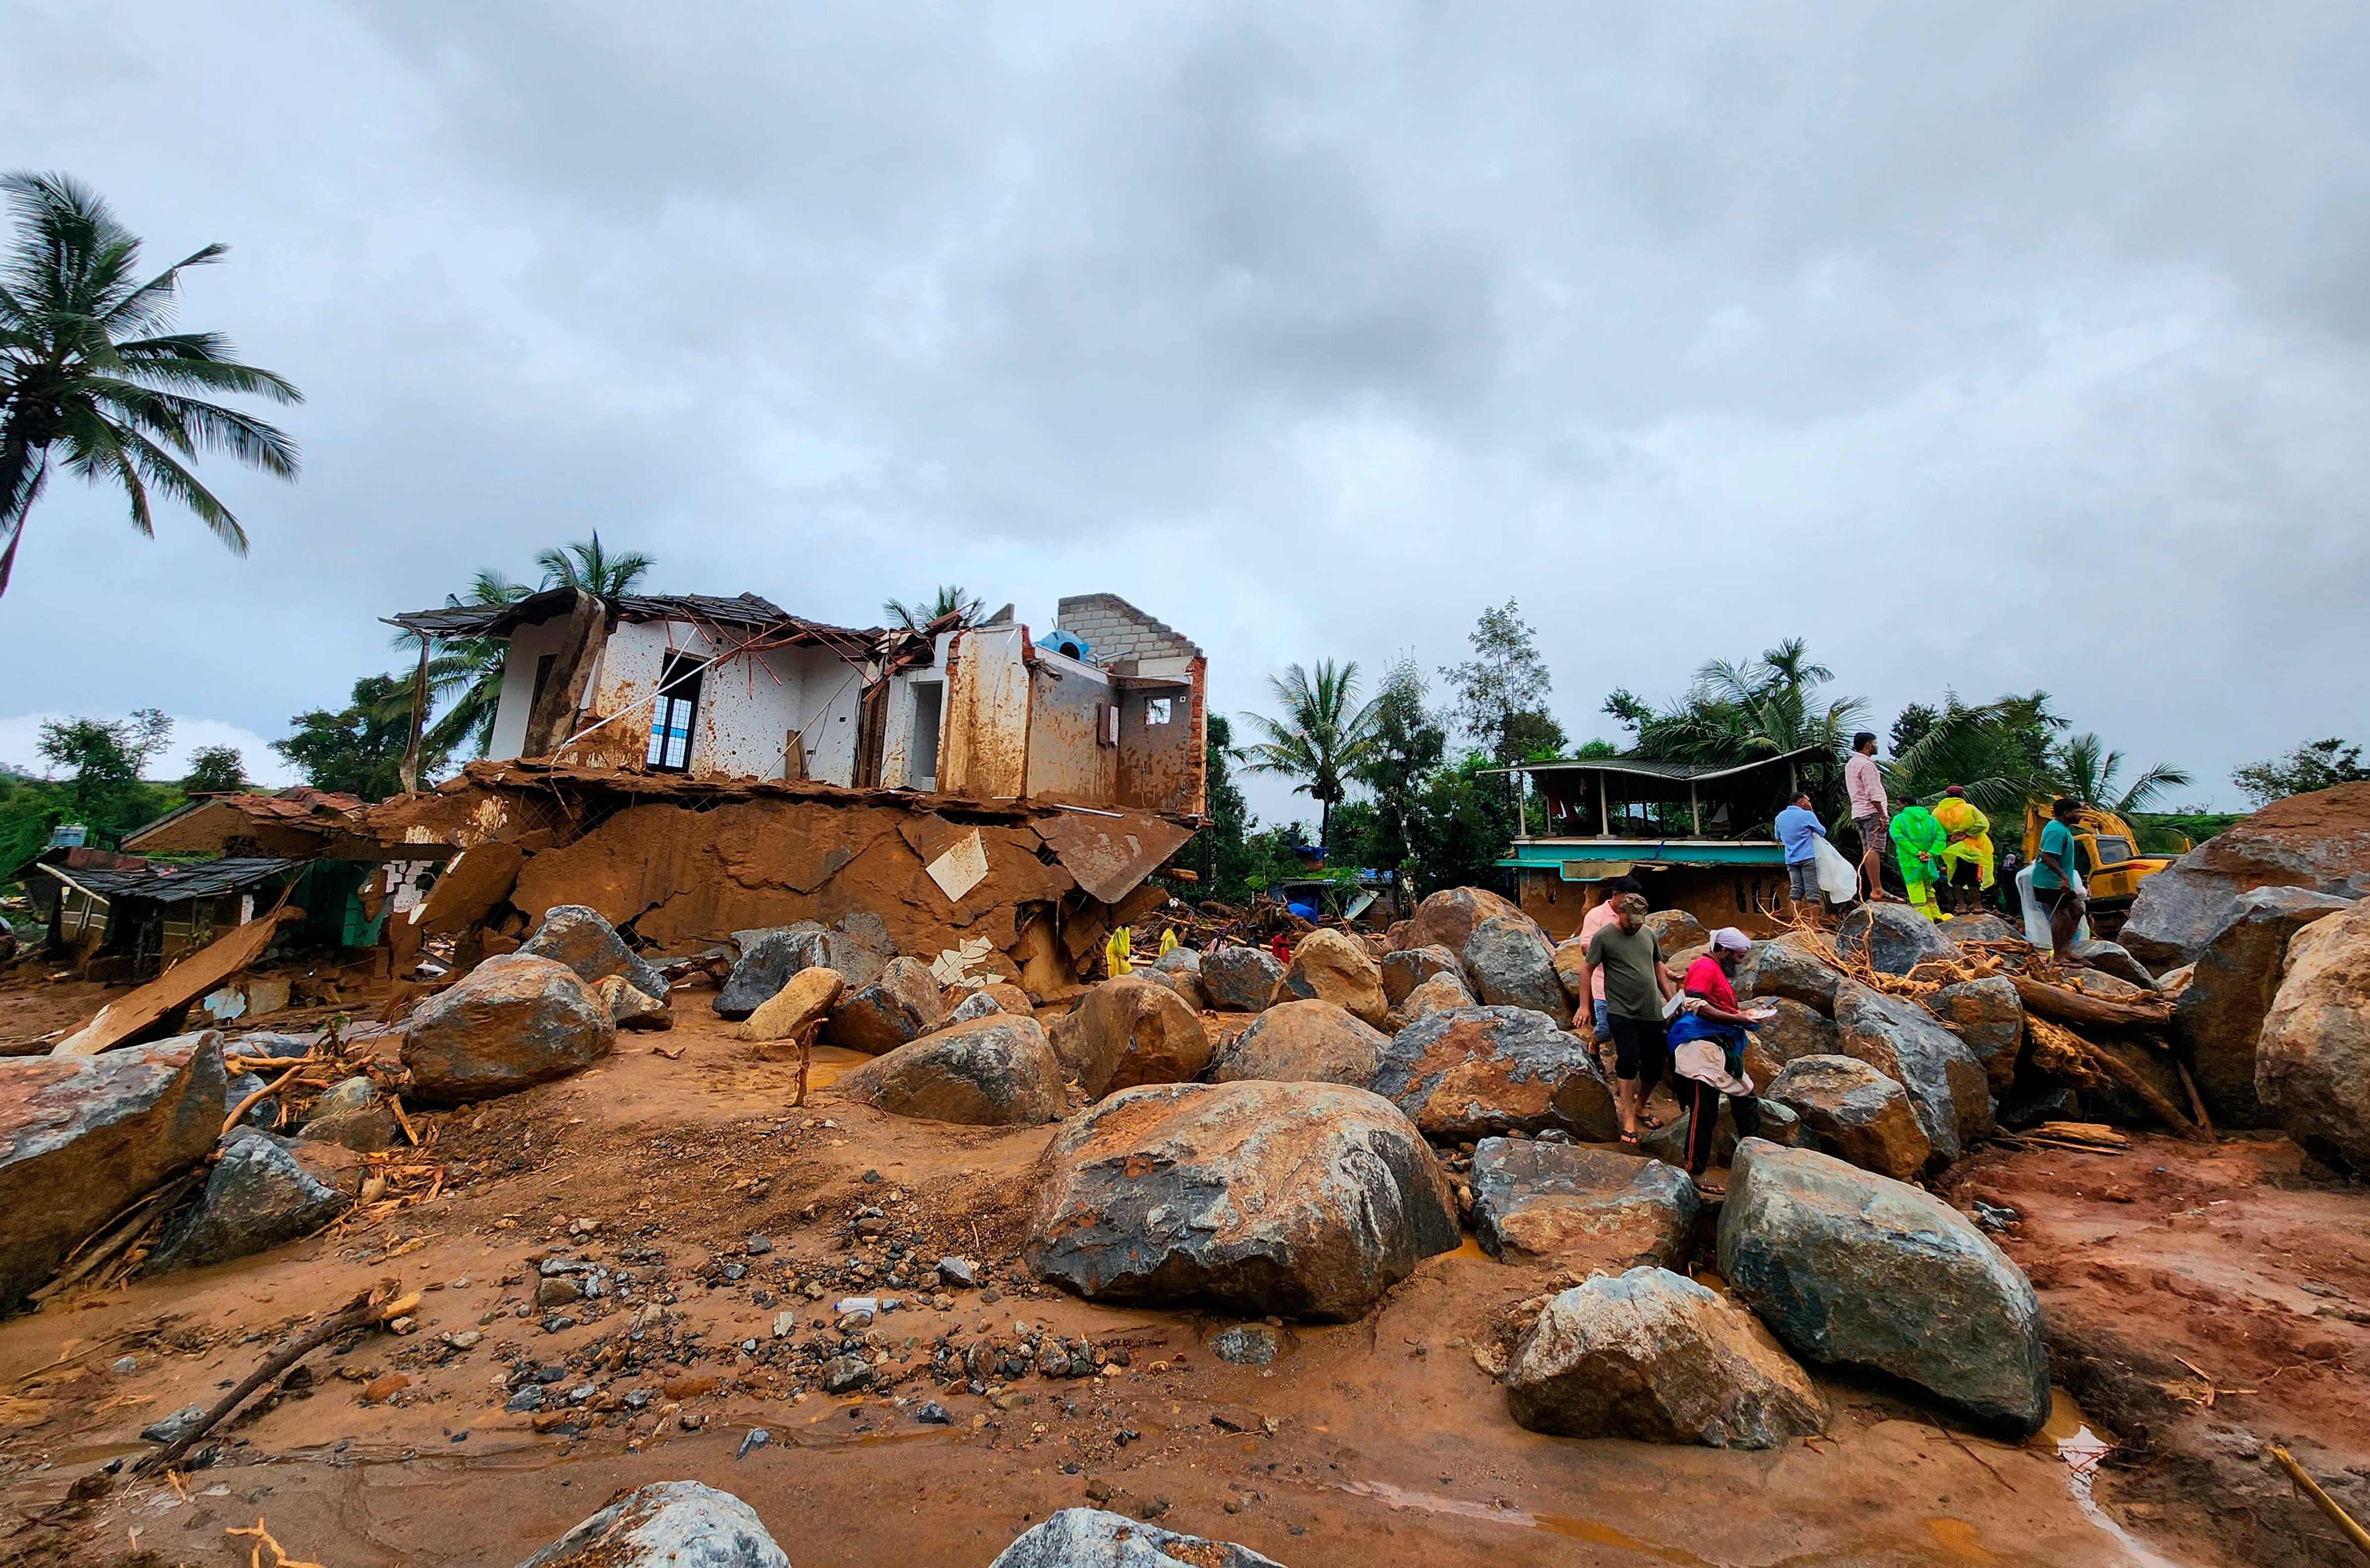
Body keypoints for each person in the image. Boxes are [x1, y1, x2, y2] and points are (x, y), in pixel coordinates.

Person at [1669, 928, 1771, 1195]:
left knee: (1746, 1095)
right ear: (1724, 951)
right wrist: (1739, 1019)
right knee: (1704, 1112)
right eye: (1737, 957)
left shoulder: (1714, 969)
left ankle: (1756, 1156)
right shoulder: (1705, 968)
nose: (1740, 962)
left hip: (1718, 1048)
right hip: (1701, 1048)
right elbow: (1696, 1004)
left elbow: (1718, 1005)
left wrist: (1743, 1013)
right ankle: (1695, 1172)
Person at [1579, 892, 1678, 1145]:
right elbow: (1587, 969)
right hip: (1621, 1011)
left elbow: (1657, 965)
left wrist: (1669, 997)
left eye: (1639, 921)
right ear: (1620, 912)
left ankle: (1642, 1106)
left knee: (1655, 1064)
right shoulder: (1605, 937)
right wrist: (1584, 1006)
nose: (1635, 925)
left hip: (1651, 1011)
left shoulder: (1647, 934)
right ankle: (1628, 1118)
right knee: (1628, 1062)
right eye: (1631, 920)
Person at [1561, 875, 1643, 1065]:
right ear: (1615, 896)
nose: (1632, 904)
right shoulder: (1596, 916)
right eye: (1628, 900)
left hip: (1630, 984)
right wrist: (1611, 949)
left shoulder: (1635, 916)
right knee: (1607, 1028)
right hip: (1604, 983)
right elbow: (1585, 948)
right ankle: (1595, 1045)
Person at [2032, 796, 2089, 956]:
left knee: (2077, 911)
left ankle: (2065, 949)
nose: (2080, 815)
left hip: (2057, 880)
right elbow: (2047, 856)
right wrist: (2064, 877)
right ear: (2067, 813)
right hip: (2050, 881)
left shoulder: (2063, 829)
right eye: (2077, 812)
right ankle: (2058, 955)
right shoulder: (2057, 831)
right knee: (2062, 915)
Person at [1845, 732, 1894, 903]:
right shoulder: (1867, 765)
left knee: (1868, 849)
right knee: (1874, 848)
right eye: (1874, 743)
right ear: (1868, 745)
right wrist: (1883, 815)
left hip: (1859, 812)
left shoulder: (1851, 764)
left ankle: (1875, 888)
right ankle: (1877, 889)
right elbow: (1873, 793)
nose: (1876, 746)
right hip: (1872, 811)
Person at [1931, 785, 1995, 916]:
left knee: (1956, 877)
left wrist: (1950, 837)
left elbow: (1935, 830)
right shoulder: (1969, 808)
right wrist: (1967, 834)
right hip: (1972, 848)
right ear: (1962, 796)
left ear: (1947, 796)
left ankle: (1961, 906)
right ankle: (1977, 906)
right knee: (1973, 876)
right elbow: (1983, 824)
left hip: (1952, 849)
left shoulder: (1937, 812)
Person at [1773, 789, 1829, 924]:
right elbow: (1822, 832)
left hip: (1791, 859)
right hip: (1807, 857)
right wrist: (1811, 812)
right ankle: (1814, 923)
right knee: (1812, 891)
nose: (1809, 803)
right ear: (1802, 802)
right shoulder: (1807, 815)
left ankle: (1797, 923)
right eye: (1808, 801)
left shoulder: (1779, 817)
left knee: (1796, 890)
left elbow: (1778, 837)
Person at [1890, 803, 1948, 921]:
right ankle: (1936, 915)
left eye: (1899, 804)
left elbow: (1899, 838)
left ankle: (1924, 919)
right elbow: (1941, 838)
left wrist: (1917, 852)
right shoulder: (1931, 820)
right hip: (1929, 861)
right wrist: (1930, 853)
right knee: (1928, 887)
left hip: (1910, 860)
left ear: (1906, 804)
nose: (1898, 807)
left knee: (1915, 889)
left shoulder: (1899, 819)